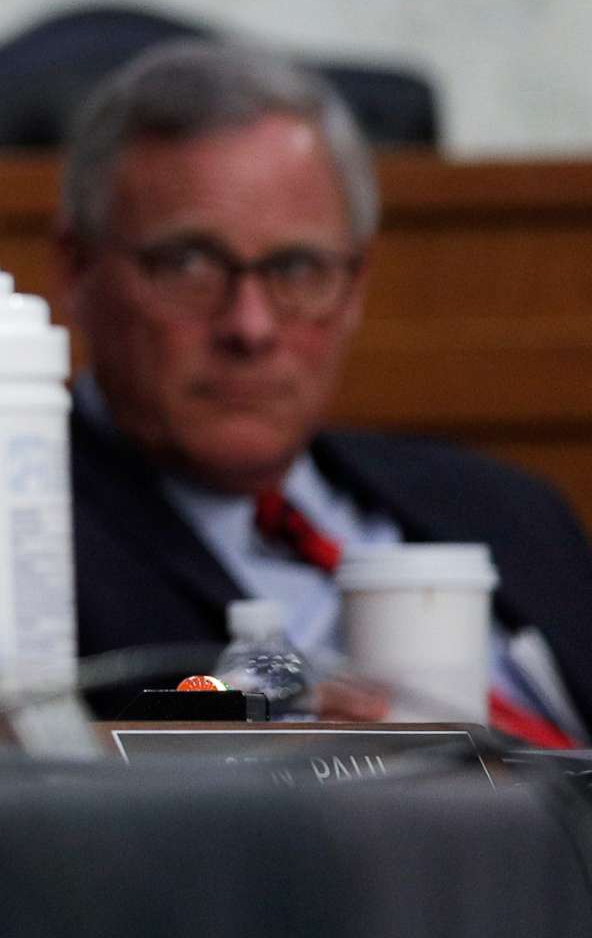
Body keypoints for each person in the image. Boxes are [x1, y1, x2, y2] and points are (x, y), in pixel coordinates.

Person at [58, 39, 592, 739]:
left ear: (355, 289)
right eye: (188, 265)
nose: (249, 327)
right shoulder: (8, 548)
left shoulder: (509, 510)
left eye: (297, 268)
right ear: (76, 270)